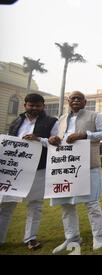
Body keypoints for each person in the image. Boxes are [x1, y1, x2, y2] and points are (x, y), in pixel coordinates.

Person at [49, 91, 102, 253]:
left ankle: (98, 235)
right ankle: (72, 237)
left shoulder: (94, 115)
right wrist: (52, 139)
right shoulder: (61, 119)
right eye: (73, 98)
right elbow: (55, 138)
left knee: (92, 203)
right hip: (65, 167)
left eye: (79, 98)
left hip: (89, 165)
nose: (75, 100)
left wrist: (85, 135)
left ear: (84, 102)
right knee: (66, 204)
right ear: (68, 101)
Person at [0, 93, 58, 250]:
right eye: (31, 105)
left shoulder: (52, 122)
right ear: (25, 105)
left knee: (35, 205)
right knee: (6, 205)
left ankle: (30, 238)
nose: (34, 108)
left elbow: (56, 143)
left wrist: (38, 139)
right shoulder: (16, 122)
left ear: (43, 106)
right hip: (15, 170)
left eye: (38, 105)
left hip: (38, 169)